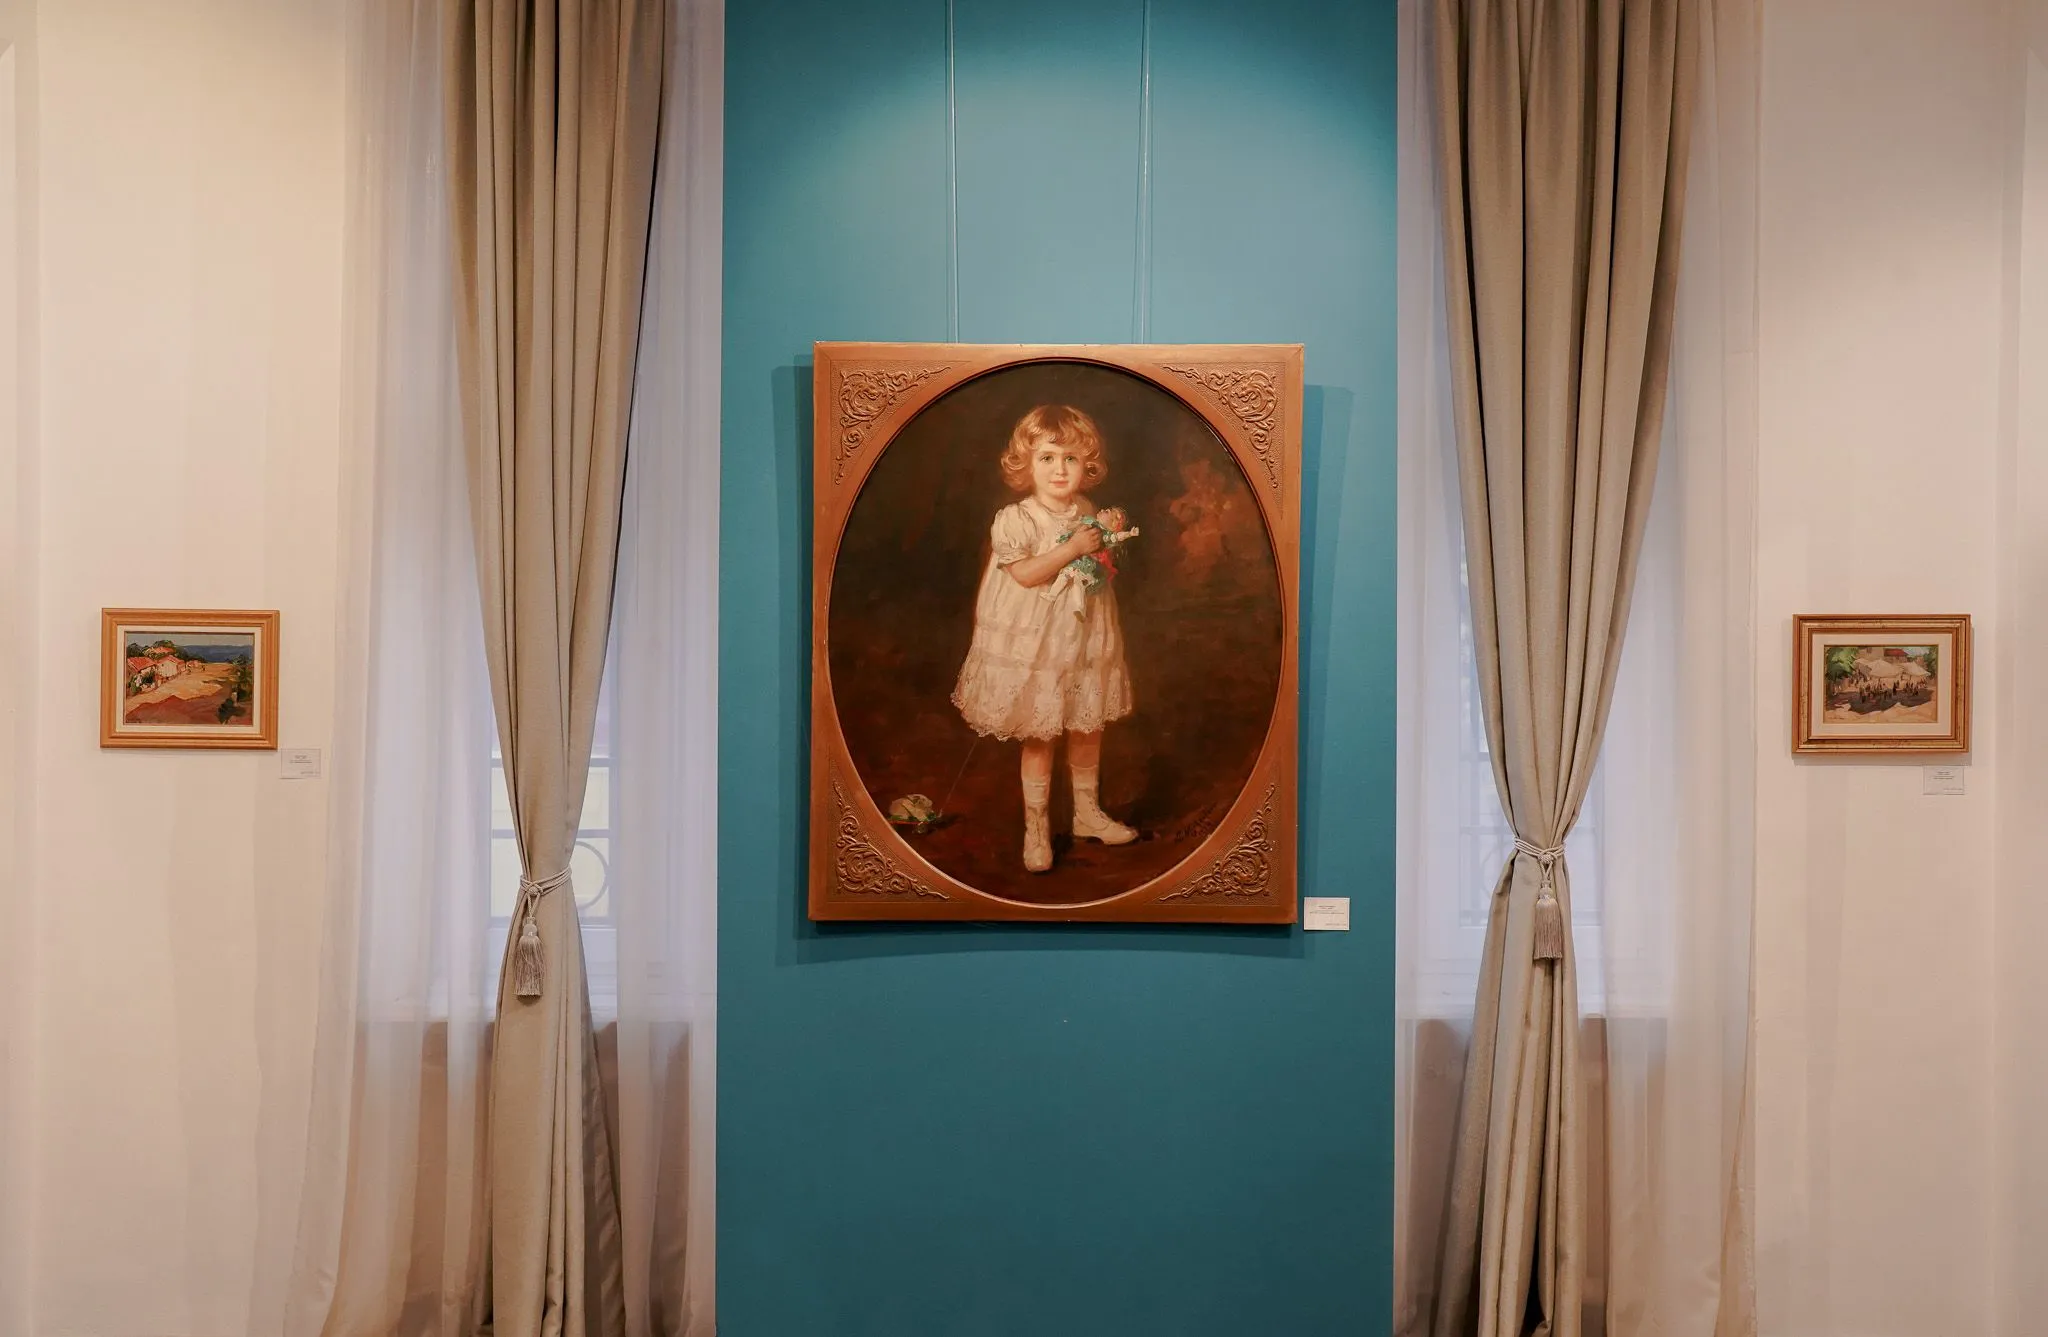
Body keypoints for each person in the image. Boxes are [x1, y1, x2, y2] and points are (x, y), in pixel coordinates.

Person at [952, 404, 1138, 873]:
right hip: (1036, 640)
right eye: (1048, 458)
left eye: (1071, 459)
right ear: (1026, 464)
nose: (1060, 469)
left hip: (1082, 633)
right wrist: (1074, 547)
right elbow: (1026, 575)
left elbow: (1094, 566)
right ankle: (1036, 827)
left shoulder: (1086, 510)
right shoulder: (1016, 518)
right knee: (1041, 731)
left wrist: (1106, 541)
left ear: (1087, 465)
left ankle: (1086, 813)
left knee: (1087, 723)